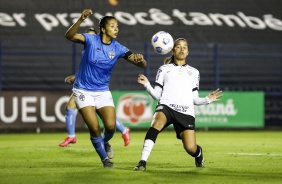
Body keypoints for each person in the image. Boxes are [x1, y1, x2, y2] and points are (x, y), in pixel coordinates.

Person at [65, 9, 147, 168]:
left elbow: (142, 65)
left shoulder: (119, 48)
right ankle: (105, 160)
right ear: (103, 29)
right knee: (94, 128)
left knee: (110, 126)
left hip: (102, 91)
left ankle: (104, 143)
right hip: (83, 90)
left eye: (117, 26)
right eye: (112, 26)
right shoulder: (90, 39)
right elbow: (69, 35)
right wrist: (81, 19)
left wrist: (141, 60)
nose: (116, 29)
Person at [134, 38, 222, 171]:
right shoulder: (164, 69)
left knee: (190, 148)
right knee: (156, 123)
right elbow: (158, 95)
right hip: (167, 106)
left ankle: (198, 155)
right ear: (173, 50)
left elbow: (195, 99)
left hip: (185, 112)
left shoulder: (194, 72)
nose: (182, 49)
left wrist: (207, 99)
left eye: (184, 47)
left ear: (188, 52)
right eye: (178, 47)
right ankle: (142, 162)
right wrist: (147, 85)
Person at [59, 74, 131, 158]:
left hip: (95, 88)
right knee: (70, 107)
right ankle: (71, 136)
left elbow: (93, 68)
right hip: (83, 86)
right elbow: (87, 67)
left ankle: (120, 133)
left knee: (105, 116)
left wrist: (76, 76)